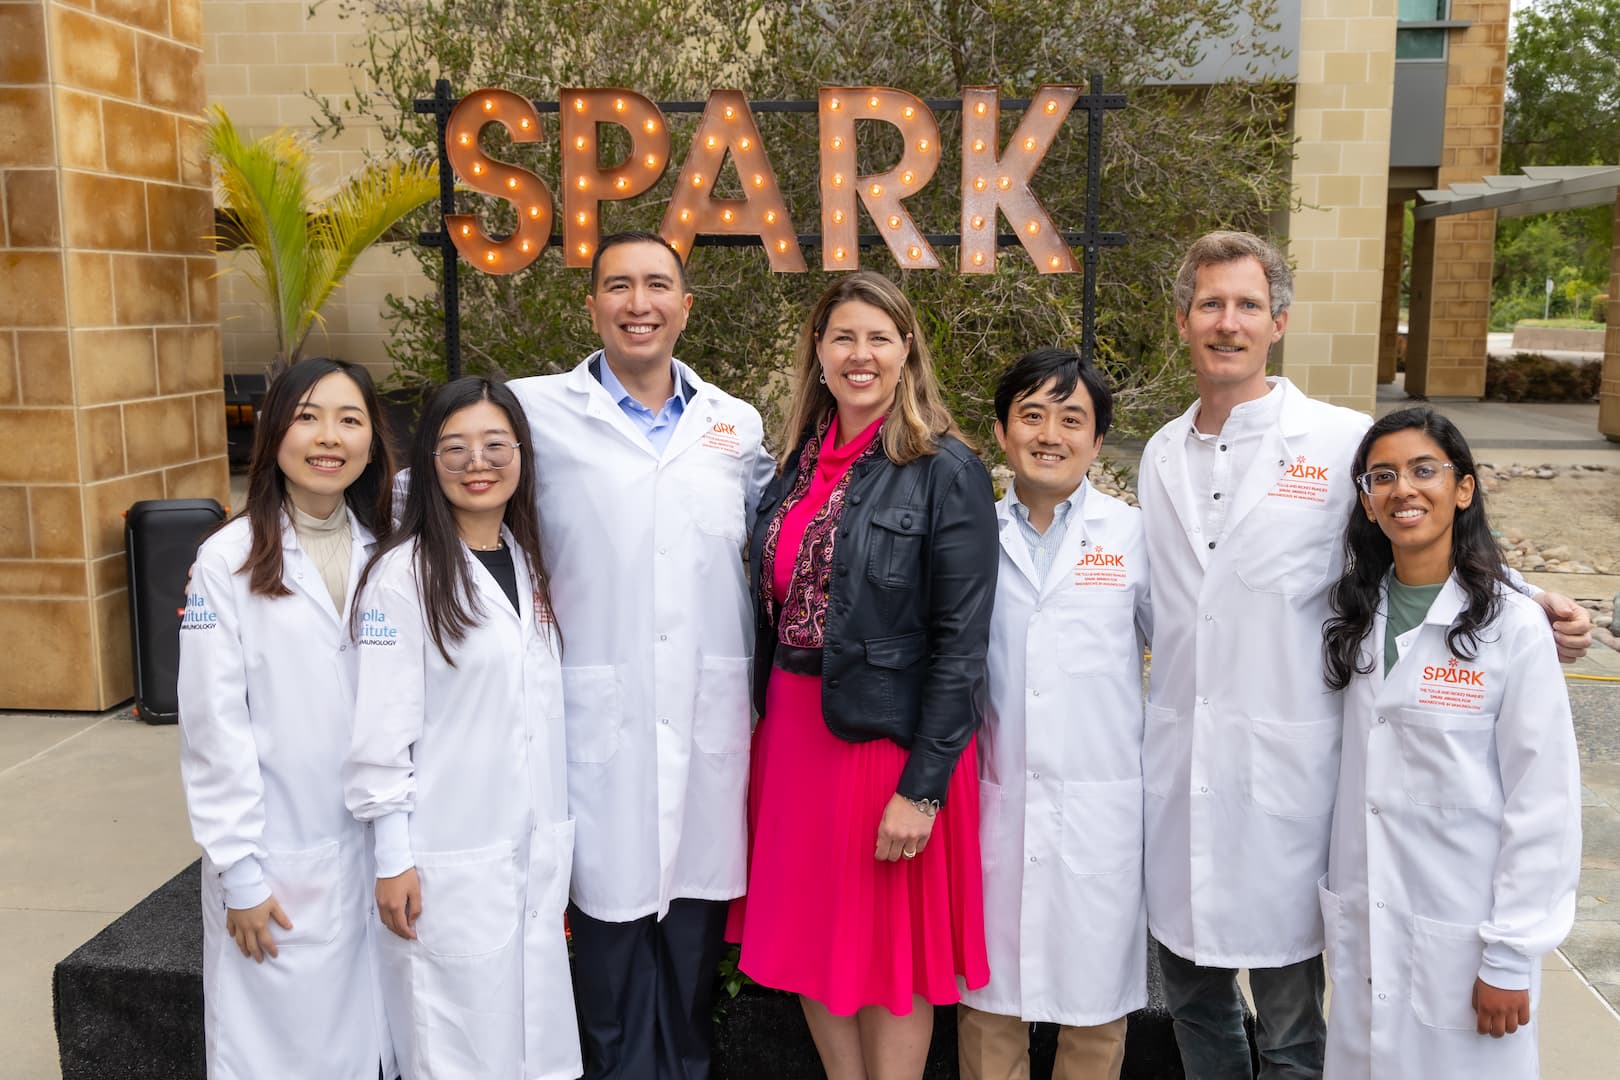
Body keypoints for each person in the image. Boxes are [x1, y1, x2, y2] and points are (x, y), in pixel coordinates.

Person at [1137, 230, 1592, 1079]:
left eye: (1246, 305)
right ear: (1182, 320)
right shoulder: (1161, 456)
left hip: (1289, 797)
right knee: (1196, 1007)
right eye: (1209, 304)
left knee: (1293, 1027)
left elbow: (1417, 524)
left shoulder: (1341, 440)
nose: (1226, 323)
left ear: (1278, 322)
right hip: (1179, 785)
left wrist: (1528, 598)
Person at [507, 232, 773, 1080]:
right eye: (617, 286)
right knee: (611, 961)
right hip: (596, 723)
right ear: (591, 307)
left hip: (706, 721)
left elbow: (786, 539)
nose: (638, 303)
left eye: (658, 285)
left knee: (693, 964)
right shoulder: (533, 412)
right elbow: (432, 489)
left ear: (686, 308)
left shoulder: (735, 426)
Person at [727, 270, 997, 1080]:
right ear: (818, 349)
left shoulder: (945, 467)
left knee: (888, 954)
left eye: (879, 338)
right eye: (843, 336)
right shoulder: (794, 465)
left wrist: (923, 788)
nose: (860, 355)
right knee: (812, 936)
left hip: (885, 738)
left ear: (906, 350)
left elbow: (963, 642)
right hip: (794, 733)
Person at [1319, 407, 1580, 1079]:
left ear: (1463, 488)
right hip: (1370, 931)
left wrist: (1511, 955)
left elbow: (1544, 806)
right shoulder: (1354, 613)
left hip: (1466, 942)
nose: (1403, 489)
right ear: (1367, 501)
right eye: (1383, 476)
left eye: (1423, 470)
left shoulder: (1513, 628)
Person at [345, 377, 579, 1080]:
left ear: (521, 454)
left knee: (527, 1049)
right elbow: (379, 734)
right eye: (455, 448)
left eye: (495, 444)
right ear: (429, 461)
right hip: (444, 860)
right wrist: (393, 856)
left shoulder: (528, 560)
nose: (478, 462)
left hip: (527, 855)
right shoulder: (400, 576)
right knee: (455, 1053)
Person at [177, 357, 396, 1080]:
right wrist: (240, 872)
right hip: (276, 856)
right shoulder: (225, 561)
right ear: (273, 433)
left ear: (372, 442)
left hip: (372, 851)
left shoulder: (389, 553)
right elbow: (213, 734)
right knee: (282, 1053)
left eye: (349, 419)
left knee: (368, 1042)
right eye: (307, 417)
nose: (328, 437)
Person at [958, 348, 1151, 1080]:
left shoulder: (1132, 537)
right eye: (1031, 415)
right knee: (988, 1009)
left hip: (1098, 811)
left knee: (1095, 1012)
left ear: (1098, 441)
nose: (1050, 434)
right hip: (994, 802)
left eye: (1072, 419)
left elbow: (1189, 651)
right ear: (1003, 434)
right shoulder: (971, 532)